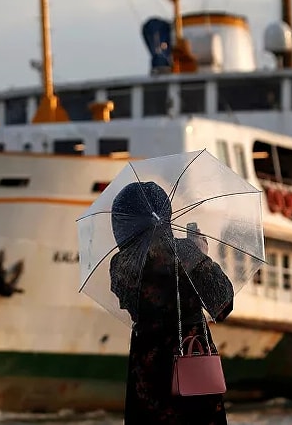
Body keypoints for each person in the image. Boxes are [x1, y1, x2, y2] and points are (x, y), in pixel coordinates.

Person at [109, 181, 234, 425]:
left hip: (149, 373)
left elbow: (128, 303)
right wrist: (199, 254)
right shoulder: (188, 254)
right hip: (194, 361)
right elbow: (223, 304)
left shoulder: (120, 266)